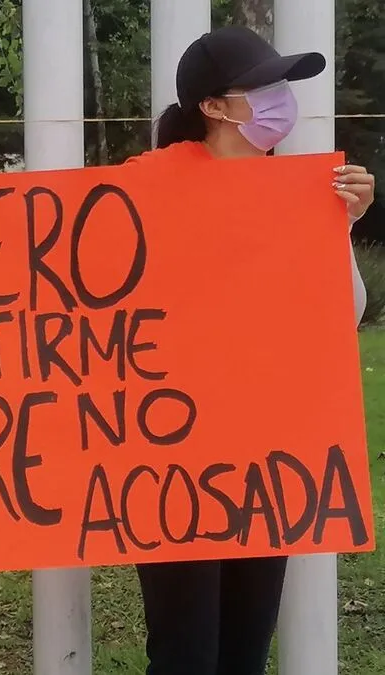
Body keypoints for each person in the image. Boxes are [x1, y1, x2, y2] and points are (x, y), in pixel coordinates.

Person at [128, 26, 375, 675]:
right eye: (264, 86)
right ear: (214, 106)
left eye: (283, 85)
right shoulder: (147, 186)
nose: (281, 99)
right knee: (186, 654)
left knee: (243, 652)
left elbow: (342, 315)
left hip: (265, 453)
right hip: (171, 456)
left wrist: (338, 226)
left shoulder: (301, 191)